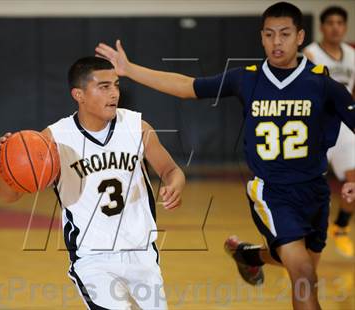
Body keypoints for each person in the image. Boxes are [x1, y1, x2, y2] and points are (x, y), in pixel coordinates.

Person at [95, 2, 355, 309]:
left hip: (315, 191)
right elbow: (186, 87)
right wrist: (130, 70)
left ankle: (248, 255)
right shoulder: (247, 78)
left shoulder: (322, 83)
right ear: (261, 38)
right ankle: (252, 255)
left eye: (284, 34)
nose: (276, 42)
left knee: (302, 265)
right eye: (269, 34)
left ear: (300, 37)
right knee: (303, 275)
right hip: (272, 191)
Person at [0, 57, 186, 309]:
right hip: (93, 260)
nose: (114, 93)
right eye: (104, 87)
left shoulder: (137, 127)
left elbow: (171, 169)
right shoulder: (54, 139)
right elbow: (10, 196)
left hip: (142, 253)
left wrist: (174, 184)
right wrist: (5, 164)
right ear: (79, 94)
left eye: (116, 85)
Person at [304, 6, 355, 258]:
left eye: (340, 23)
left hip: (345, 128)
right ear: (322, 27)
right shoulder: (310, 54)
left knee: (354, 181)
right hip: (319, 128)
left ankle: (342, 227)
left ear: (345, 27)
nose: (336, 27)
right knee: (309, 186)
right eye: (331, 22)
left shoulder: (352, 54)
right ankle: (301, 237)